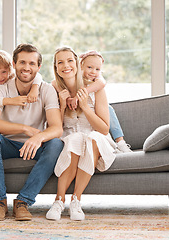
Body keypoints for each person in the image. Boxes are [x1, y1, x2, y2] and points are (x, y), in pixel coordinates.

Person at [0, 44, 64, 221]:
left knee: (56, 143)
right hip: (7, 144)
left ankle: (23, 202)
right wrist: (24, 129)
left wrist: (39, 137)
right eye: (23, 62)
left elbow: (57, 127)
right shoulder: (1, 88)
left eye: (32, 64)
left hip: (34, 146)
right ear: (14, 64)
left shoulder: (47, 90)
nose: (27, 68)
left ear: (38, 67)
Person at [46, 46, 117, 221]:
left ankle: (76, 200)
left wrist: (85, 106)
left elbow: (104, 129)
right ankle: (59, 200)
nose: (66, 65)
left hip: (96, 137)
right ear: (55, 68)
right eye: (60, 62)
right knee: (76, 139)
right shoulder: (53, 89)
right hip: (70, 138)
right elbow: (54, 128)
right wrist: (62, 105)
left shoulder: (96, 89)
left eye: (70, 61)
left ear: (77, 64)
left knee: (90, 138)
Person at [53, 50, 132, 153]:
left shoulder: (96, 80)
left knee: (109, 109)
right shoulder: (58, 85)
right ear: (81, 65)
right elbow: (54, 83)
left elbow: (102, 83)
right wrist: (66, 100)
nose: (93, 72)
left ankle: (120, 141)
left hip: (93, 131)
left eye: (97, 69)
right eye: (89, 67)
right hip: (71, 140)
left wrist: (78, 97)